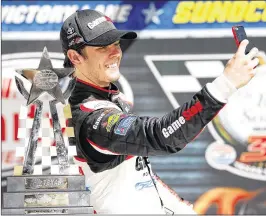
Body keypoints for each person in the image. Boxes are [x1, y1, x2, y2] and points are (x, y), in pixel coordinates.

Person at [60, 9, 260, 214]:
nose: (115, 53)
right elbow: (161, 136)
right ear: (75, 57)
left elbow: (140, 177)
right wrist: (225, 85)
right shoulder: (90, 117)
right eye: (103, 47)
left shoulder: (107, 99)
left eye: (116, 44)